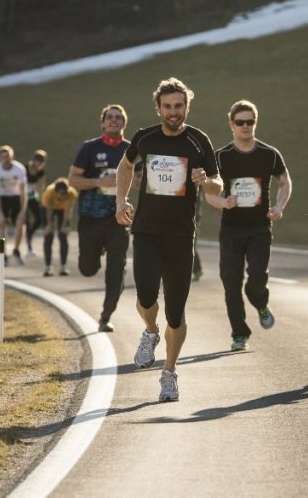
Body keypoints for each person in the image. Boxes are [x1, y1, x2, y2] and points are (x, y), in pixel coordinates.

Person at [116, 77, 222, 402]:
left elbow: (219, 183)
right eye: (167, 107)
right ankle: (150, 332)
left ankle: (169, 373)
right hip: (146, 231)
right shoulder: (144, 138)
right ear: (158, 108)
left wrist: (207, 180)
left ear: (187, 106)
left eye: (179, 106)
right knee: (146, 298)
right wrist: (120, 201)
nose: (173, 112)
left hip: (180, 236)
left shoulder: (198, 140)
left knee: (176, 313)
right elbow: (125, 165)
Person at [205, 100, 292, 352]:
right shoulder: (220, 156)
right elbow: (209, 193)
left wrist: (278, 207)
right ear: (231, 124)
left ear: (256, 123)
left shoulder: (269, 154)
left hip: (259, 230)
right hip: (231, 230)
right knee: (231, 285)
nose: (245, 126)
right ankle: (239, 334)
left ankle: (260, 303)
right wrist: (223, 202)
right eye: (240, 122)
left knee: (255, 279)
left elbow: (285, 182)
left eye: (250, 122)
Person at [68, 104, 131, 333]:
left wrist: (128, 180)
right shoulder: (89, 148)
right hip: (90, 217)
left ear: (124, 123)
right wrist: (99, 182)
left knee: (116, 268)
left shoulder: (130, 149)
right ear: (103, 122)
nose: (114, 120)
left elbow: (143, 177)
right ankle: (95, 253)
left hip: (119, 218)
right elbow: (72, 179)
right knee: (87, 268)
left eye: (118, 118)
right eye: (110, 117)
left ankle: (106, 316)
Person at [0, 145, 27, 266]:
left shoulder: (19, 169)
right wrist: (0, 213)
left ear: (12, 156)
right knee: (1, 225)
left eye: (8, 156)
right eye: (3, 157)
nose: (6, 159)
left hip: (16, 197)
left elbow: (23, 191)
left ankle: (16, 249)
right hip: (3, 198)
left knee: (20, 223)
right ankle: (2, 254)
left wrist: (23, 210)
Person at [41, 177, 78, 277]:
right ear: (55, 192)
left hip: (63, 210)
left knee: (63, 235)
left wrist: (65, 225)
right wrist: (49, 225)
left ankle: (63, 266)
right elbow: (48, 210)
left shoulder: (72, 193)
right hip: (49, 209)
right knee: (48, 235)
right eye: (60, 195)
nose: (62, 197)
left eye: (64, 195)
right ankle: (48, 267)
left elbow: (68, 210)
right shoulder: (49, 193)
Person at [25, 150, 48, 256]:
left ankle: (30, 235)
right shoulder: (25, 168)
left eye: (41, 162)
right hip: (22, 197)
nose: (39, 164)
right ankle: (28, 246)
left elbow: (41, 185)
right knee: (27, 222)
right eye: (38, 161)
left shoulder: (40, 171)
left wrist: (42, 199)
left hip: (32, 196)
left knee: (39, 219)